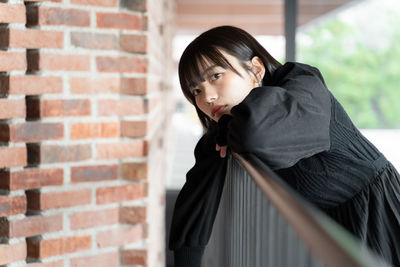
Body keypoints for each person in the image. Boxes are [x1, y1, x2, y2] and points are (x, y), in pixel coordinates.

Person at [169, 25, 400, 267]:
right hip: (327, 231)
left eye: (215, 76)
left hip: (380, 215)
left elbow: (257, 135)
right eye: (196, 90)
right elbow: (196, 196)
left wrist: (228, 127)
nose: (207, 97)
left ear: (256, 68)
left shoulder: (302, 84)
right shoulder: (228, 127)